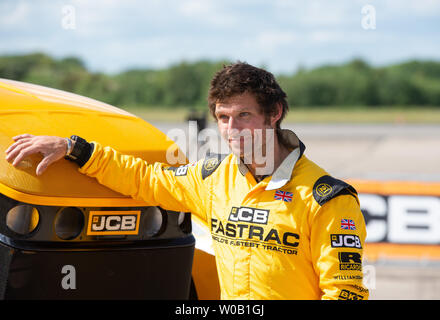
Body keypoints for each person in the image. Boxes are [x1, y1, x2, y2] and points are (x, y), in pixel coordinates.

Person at [5, 62, 368, 300]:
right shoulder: (212, 178)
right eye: (223, 117)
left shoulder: (327, 199)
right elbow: (142, 178)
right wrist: (73, 147)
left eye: (244, 115)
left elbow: (345, 292)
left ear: (273, 114)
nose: (231, 129)